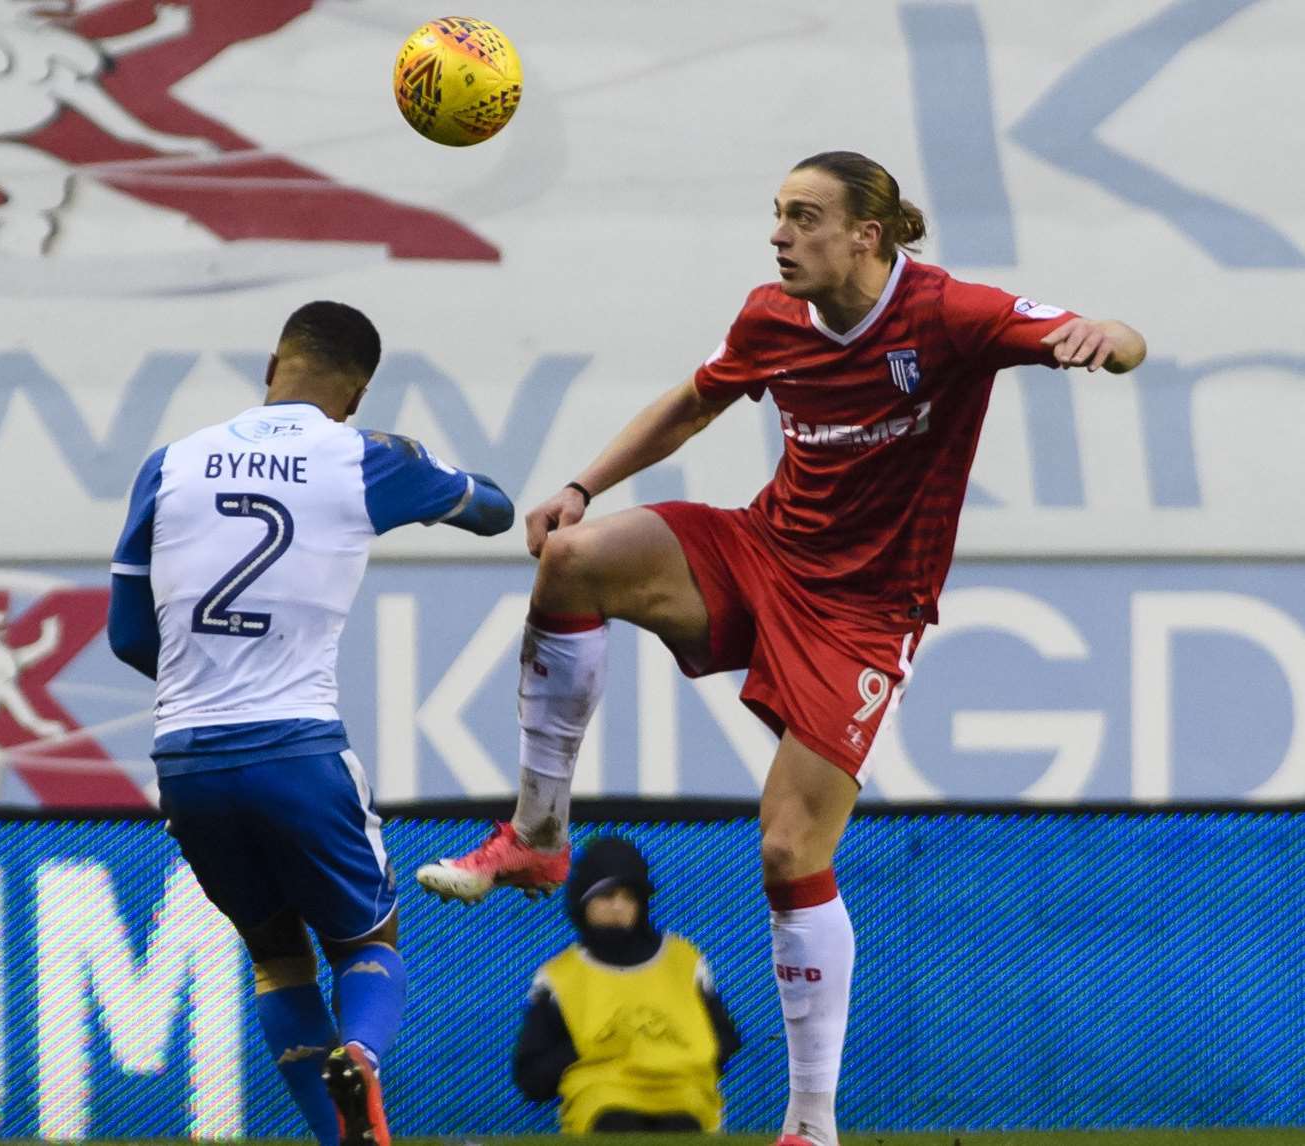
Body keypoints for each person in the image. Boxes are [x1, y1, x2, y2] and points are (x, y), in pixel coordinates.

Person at [416, 151, 1147, 1145]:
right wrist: (580, 484)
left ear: (865, 236)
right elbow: (689, 404)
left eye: (803, 216)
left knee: (787, 850)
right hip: (762, 551)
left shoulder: (947, 314)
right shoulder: (770, 316)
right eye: (775, 214)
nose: (778, 233)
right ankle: (539, 838)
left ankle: (809, 1123)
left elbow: (1121, 339)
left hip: (861, 613)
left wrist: (1106, 337)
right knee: (573, 561)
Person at [107, 300, 514, 1146]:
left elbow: (128, 635)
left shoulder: (169, 464)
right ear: (357, 391)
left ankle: (340, 1141)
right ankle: (360, 1053)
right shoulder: (363, 457)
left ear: (271, 367)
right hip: (296, 747)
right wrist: (429, 477)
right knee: (368, 936)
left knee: (274, 955)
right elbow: (496, 511)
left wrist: (201, 682)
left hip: (185, 757)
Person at [514, 836, 741, 1133]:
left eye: (630, 896)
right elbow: (530, 1076)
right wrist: (589, 1050)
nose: (619, 906)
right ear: (583, 902)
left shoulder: (683, 960)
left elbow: (726, 1038)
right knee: (617, 1128)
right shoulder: (560, 976)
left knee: (682, 1129)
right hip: (602, 1099)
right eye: (607, 896)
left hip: (684, 1093)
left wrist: (675, 1058)